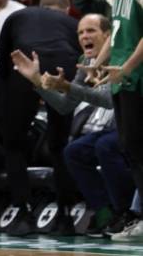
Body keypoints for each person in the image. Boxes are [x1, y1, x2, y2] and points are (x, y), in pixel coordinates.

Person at [10, 13, 134, 237]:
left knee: (105, 146)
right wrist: (37, 82)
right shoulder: (85, 62)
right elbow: (65, 106)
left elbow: (107, 99)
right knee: (74, 151)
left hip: (133, 125)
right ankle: (104, 212)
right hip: (115, 129)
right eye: (80, 32)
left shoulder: (119, 56)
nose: (84, 36)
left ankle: (126, 213)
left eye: (91, 31)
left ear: (107, 36)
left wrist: (67, 86)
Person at [0, 0, 82, 236]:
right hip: (63, 66)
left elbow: (4, 60)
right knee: (59, 144)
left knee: (14, 144)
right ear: (65, 10)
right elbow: (80, 60)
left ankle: (23, 213)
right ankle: (66, 217)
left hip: (24, 69)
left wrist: (11, 93)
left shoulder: (19, 14)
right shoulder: (73, 23)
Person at [92, 0, 143, 240]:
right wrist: (97, 61)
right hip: (119, 74)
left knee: (139, 148)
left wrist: (127, 66)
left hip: (137, 74)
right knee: (130, 148)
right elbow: (118, 30)